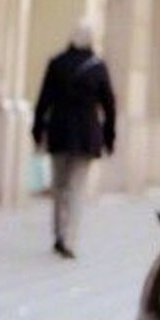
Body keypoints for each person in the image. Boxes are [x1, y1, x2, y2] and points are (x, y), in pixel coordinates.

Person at [31, 19, 116, 259]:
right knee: (76, 188)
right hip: (87, 136)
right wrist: (110, 137)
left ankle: (58, 234)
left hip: (59, 132)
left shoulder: (57, 63)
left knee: (59, 186)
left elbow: (43, 100)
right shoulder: (98, 67)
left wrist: (37, 130)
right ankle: (70, 239)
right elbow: (109, 106)